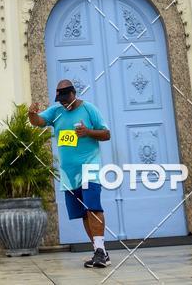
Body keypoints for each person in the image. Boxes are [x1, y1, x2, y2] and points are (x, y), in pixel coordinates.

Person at [29, 79, 111, 269]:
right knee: (83, 213)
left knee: (93, 207)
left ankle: (100, 250)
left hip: (90, 167)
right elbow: (38, 122)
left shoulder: (89, 109)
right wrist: (31, 113)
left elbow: (106, 134)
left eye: (67, 98)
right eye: (61, 99)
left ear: (74, 93)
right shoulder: (56, 112)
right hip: (68, 174)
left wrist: (88, 132)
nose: (64, 102)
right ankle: (100, 252)